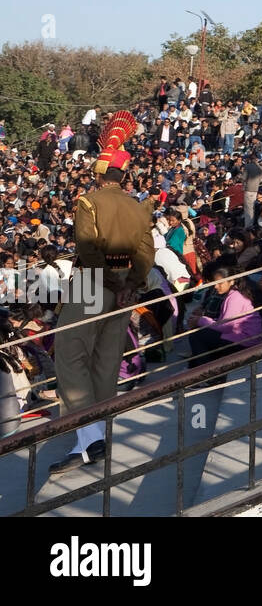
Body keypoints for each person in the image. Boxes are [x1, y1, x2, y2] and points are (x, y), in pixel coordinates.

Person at [49, 113, 155, 475]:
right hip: (124, 291)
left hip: (93, 285)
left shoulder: (89, 202)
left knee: (70, 353)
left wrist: (111, 281)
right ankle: (93, 434)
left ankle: (90, 437)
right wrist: (129, 285)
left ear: (98, 174)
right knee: (106, 360)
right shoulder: (138, 207)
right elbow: (145, 254)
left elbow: (89, 249)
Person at [186, 265, 260, 368]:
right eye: (215, 283)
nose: (216, 286)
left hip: (246, 340)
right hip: (239, 336)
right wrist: (202, 321)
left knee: (197, 335)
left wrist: (201, 320)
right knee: (201, 332)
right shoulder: (232, 294)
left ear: (231, 281)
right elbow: (224, 322)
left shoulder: (235, 297)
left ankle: (205, 374)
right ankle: (195, 370)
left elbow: (227, 326)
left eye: (220, 283)